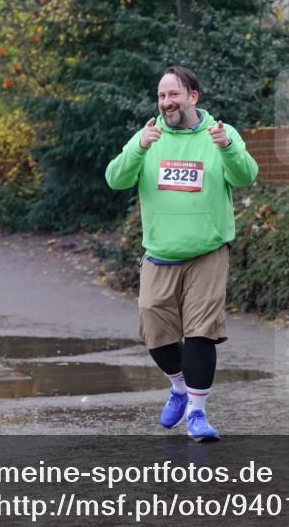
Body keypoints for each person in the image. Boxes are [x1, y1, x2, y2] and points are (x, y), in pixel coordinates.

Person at [105, 66, 258, 442]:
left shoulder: (219, 134)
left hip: (207, 251)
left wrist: (227, 146)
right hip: (159, 253)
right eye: (161, 96)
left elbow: (245, 176)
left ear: (193, 96)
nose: (166, 102)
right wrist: (139, 145)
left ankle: (198, 413)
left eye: (173, 94)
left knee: (201, 332)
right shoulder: (149, 137)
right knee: (155, 329)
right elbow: (115, 179)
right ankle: (178, 386)